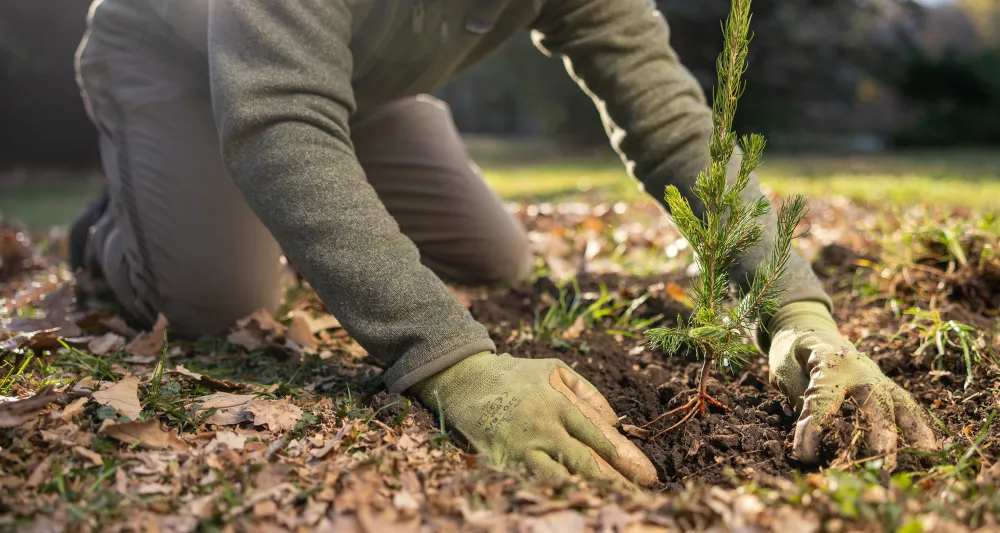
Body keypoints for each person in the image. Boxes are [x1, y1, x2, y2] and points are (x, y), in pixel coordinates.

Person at [71, 0, 936, 488]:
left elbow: (675, 128)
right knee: (220, 298)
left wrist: (798, 311)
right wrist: (454, 364)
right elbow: (279, 119)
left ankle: (319, 182)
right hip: (180, 62)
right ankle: (118, 227)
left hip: (362, 87)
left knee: (498, 261)